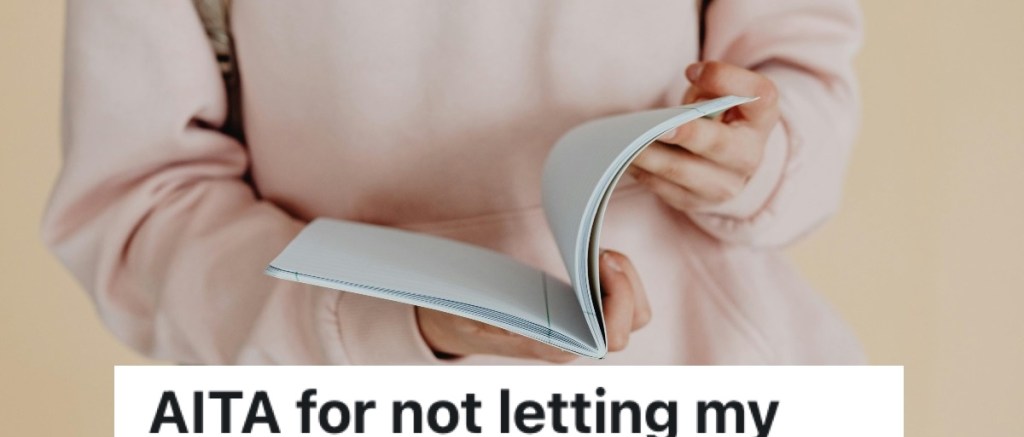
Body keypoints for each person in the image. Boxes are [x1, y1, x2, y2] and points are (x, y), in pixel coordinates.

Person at [42, 0, 864, 365]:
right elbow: (138, 211)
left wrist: (751, 158)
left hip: (716, 435)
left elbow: (805, 86)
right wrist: (382, 325)